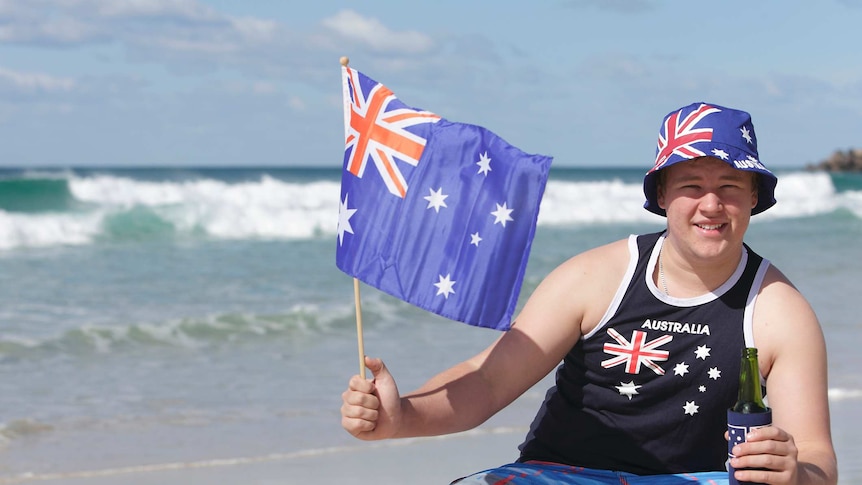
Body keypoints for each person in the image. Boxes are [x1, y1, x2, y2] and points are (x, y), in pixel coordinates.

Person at [340, 102, 838, 484]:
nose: (711, 205)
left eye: (730, 185)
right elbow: (486, 383)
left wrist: (794, 473)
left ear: (754, 197)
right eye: (691, 185)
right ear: (661, 196)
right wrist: (399, 416)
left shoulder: (779, 311)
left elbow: (816, 457)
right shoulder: (595, 277)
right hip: (563, 472)